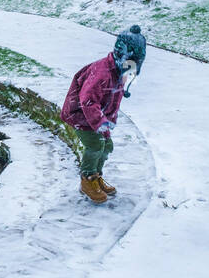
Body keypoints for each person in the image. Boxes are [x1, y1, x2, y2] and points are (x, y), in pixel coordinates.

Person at [60, 25, 146, 204]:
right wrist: (100, 124)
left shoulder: (119, 71)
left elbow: (114, 99)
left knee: (107, 147)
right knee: (95, 146)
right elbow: (88, 101)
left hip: (99, 118)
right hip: (81, 116)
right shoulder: (102, 74)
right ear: (123, 57)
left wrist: (109, 121)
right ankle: (87, 180)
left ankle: (96, 176)